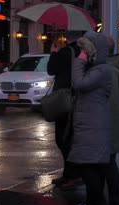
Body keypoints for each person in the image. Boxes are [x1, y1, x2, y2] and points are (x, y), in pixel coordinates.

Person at [74, 37, 119, 205]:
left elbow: (96, 96)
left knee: (104, 165)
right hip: (110, 124)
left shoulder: (106, 70)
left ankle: (113, 204)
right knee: (103, 165)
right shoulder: (114, 68)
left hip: (106, 126)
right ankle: (102, 202)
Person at [69, 31, 112, 205]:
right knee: (89, 168)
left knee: (89, 168)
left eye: (85, 49)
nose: (82, 53)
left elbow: (79, 83)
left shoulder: (102, 70)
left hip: (93, 126)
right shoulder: (96, 69)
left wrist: (80, 60)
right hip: (88, 125)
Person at [47, 30, 83, 189]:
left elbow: (51, 69)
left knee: (62, 138)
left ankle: (72, 175)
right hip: (80, 98)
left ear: (68, 38)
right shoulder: (83, 52)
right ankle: (71, 174)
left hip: (65, 99)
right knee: (72, 138)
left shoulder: (65, 52)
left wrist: (53, 53)